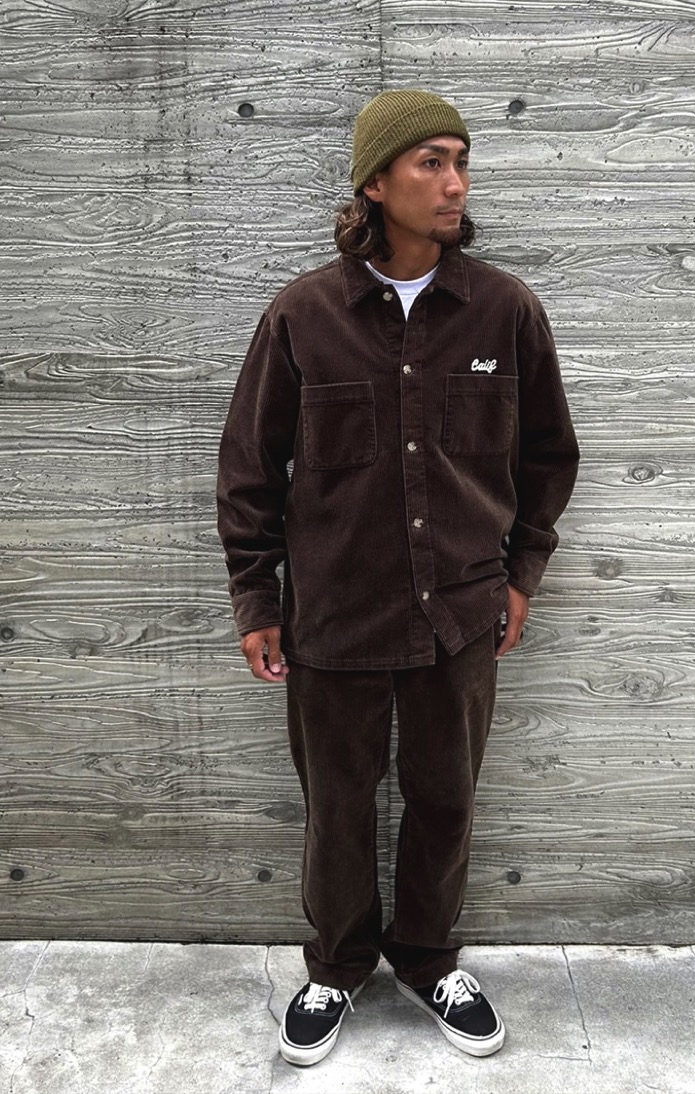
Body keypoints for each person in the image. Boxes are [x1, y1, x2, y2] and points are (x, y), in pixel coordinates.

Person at [216, 89, 580, 1067]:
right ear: (374, 183)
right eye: (431, 161)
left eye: (461, 160)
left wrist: (521, 572)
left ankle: (427, 957)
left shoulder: (504, 310)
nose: (455, 182)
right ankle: (336, 964)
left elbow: (549, 454)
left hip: (460, 614)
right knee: (336, 807)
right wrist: (256, 597)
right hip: (332, 615)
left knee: (445, 798)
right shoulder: (303, 315)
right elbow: (249, 467)